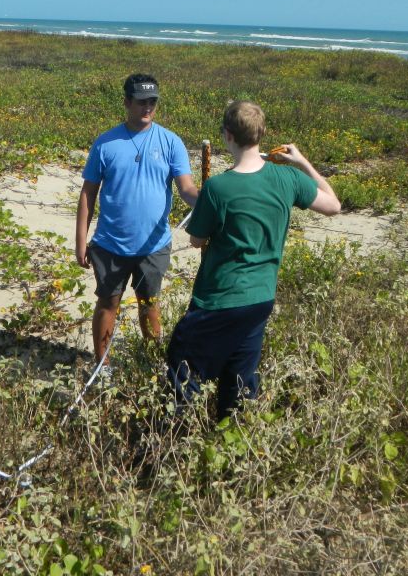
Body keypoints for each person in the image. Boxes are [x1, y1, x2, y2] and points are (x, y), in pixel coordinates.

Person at [166, 100, 341, 420]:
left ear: (228, 135)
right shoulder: (288, 179)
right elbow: (333, 205)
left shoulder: (217, 187)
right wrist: (302, 162)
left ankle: (174, 439)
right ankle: (232, 441)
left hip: (218, 298)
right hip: (260, 297)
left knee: (183, 367)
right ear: (261, 135)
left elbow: (196, 240)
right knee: (239, 380)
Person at [76, 73, 199, 366]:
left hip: (154, 245)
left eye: (153, 102)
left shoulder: (171, 142)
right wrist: (81, 241)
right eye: (142, 102)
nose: (148, 108)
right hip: (110, 244)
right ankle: (102, 365)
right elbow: (88, 193)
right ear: (127, 102)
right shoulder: (105, 143)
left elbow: (186, 188)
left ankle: (151, 363)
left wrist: (209, 201)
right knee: (108, 304)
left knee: (149, 304)